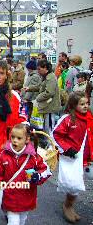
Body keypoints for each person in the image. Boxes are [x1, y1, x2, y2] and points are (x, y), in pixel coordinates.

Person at [0, 123, 52, 225]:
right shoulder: (3, 155)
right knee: (13, 222)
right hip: (9, 199)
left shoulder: (34, 157)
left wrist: (38, 176)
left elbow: (46, 170)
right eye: (13, 137)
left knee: (22, 221)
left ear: (27, 139)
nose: (14, 140)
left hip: (26, 198)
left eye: (19, 138)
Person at [52, 91, 93, 223]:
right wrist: (66, 149)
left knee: (78, 183)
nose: (85, 106)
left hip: (85, 157)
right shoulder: (68, 119)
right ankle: (67, 206)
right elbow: (56, 135)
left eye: (87, 103)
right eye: (82, 104)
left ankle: (69, 204)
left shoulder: (89, 118)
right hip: (71, 156)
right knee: (73, 184)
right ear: (73, 105)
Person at [31, 59, 61, 134]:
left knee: (49, 127)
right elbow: (40, 87)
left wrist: (37, 98)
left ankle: (50, 142)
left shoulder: (50, 78)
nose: (38, 71)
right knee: (46, 126)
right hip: (46, 106)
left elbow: (49, 92)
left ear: (46, 68)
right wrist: (29, 88)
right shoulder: (46, 77)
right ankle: (47, 141)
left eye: (39, 69)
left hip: (50, 107)